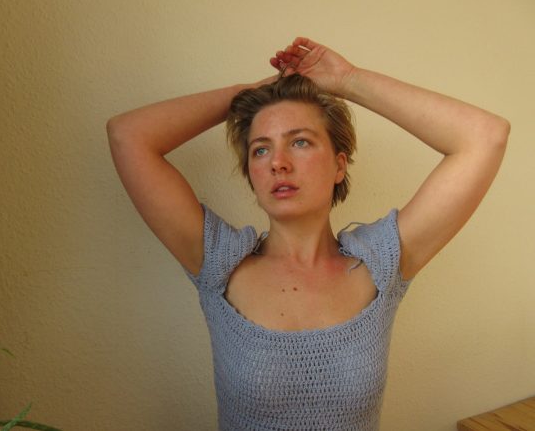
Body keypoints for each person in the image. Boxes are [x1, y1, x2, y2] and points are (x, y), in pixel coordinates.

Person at [107, 37, 509, 430]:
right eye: (260, 149)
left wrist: (349, 80)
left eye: (299, 141)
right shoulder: (218, 262)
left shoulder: (382, 263)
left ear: (339, 166)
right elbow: (127, 136)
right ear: (251, 174)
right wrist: (248, 94)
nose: (278, 162)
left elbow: (484, 137)